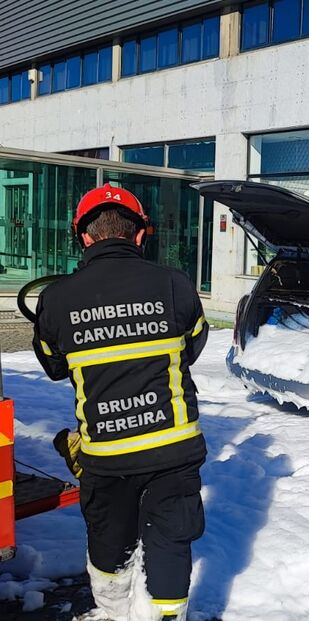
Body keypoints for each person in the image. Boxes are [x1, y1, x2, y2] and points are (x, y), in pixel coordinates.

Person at [32, 184, 208, 621]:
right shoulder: (175, 284)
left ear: (84, 238)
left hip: (107, 456)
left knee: (109, 546)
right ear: (140, 235)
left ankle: (113, 612)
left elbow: (54, 366)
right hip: (174, 448)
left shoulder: (56, 298)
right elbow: (192, 346)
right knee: (171, 542)